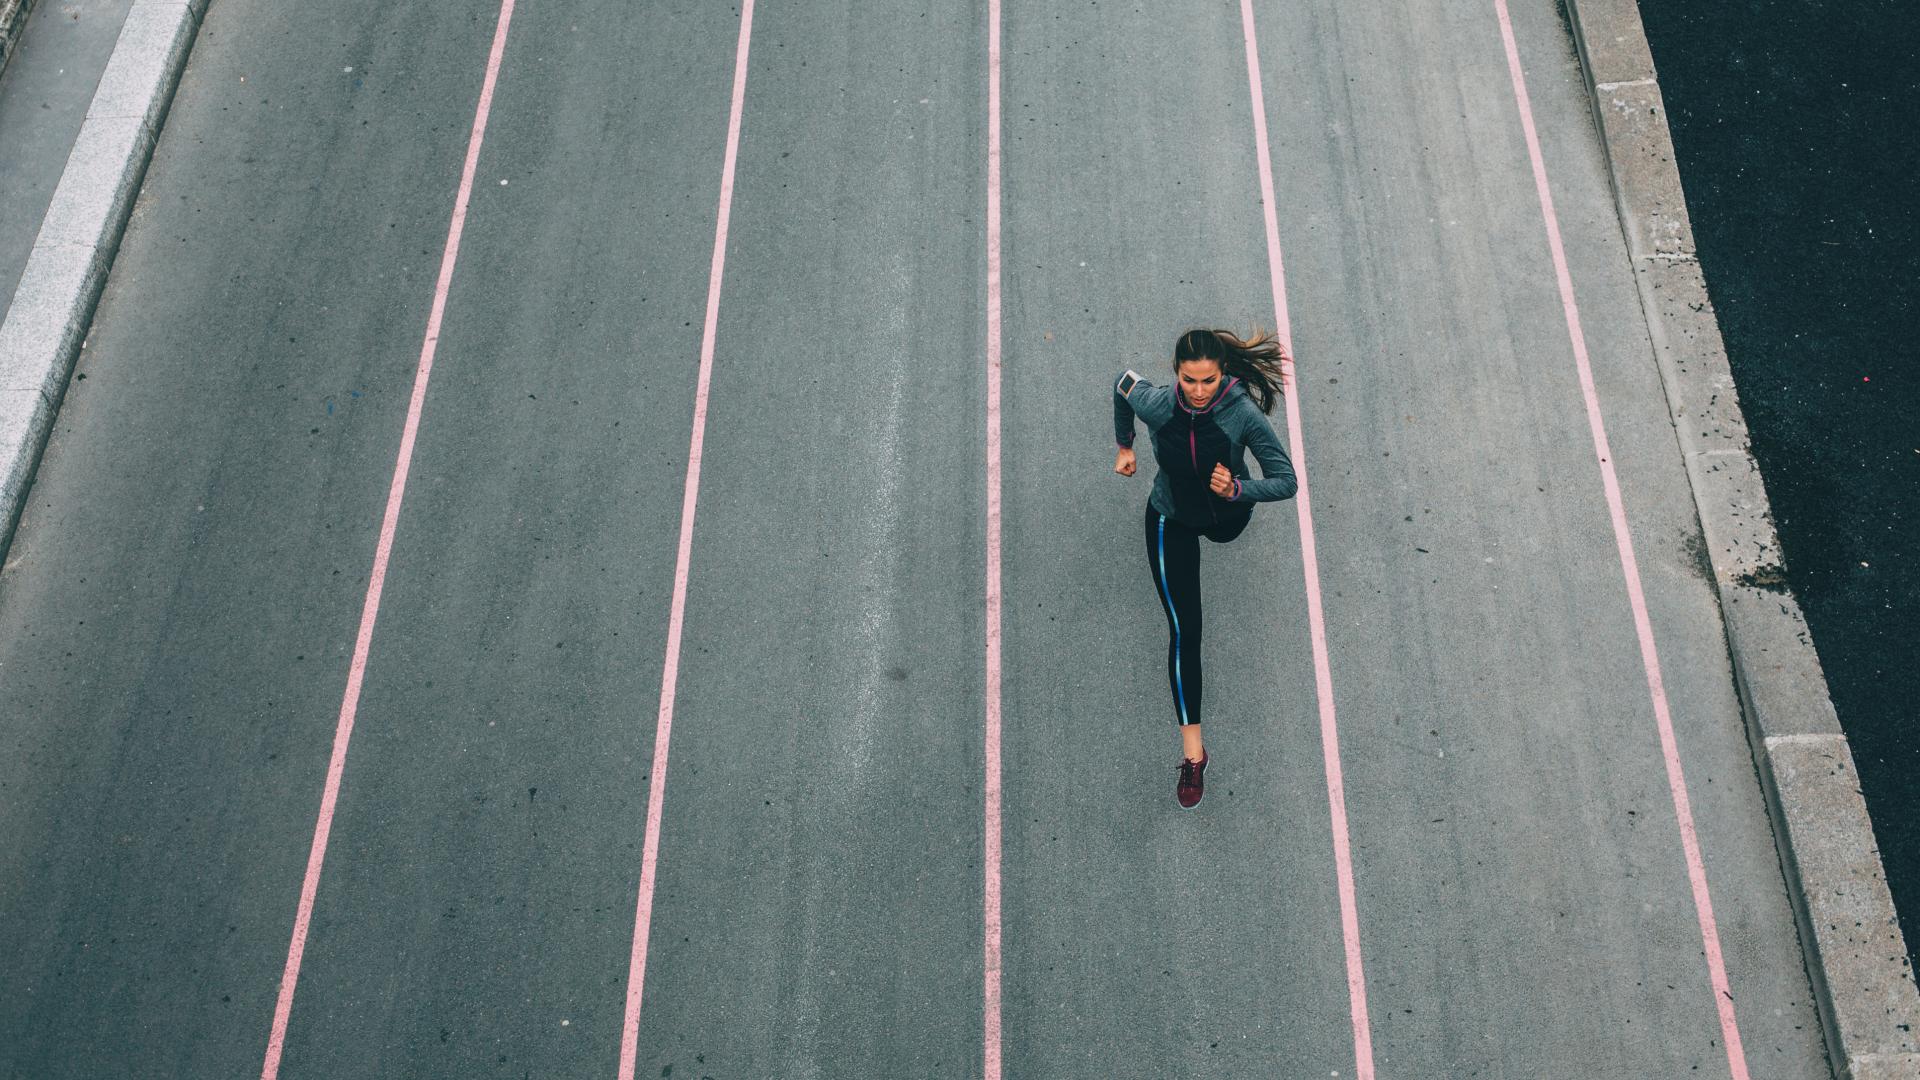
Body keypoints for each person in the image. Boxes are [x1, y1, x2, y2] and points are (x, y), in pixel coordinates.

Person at [1113, 328, 1298, 807]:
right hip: (1169, 517)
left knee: (1222, 535)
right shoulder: (1158, 402)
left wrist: (1238, 490)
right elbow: (1121, 384)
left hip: (1225, 517)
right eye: (1189, 380)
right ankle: (1194, 756)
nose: (1198, 391)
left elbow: (1286, 481)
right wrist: (1125, 445)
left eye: (1208, 381)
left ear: (1222, 375)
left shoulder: (1242, 415)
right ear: (1176, 373)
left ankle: (1222, 510)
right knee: (1184, 630)